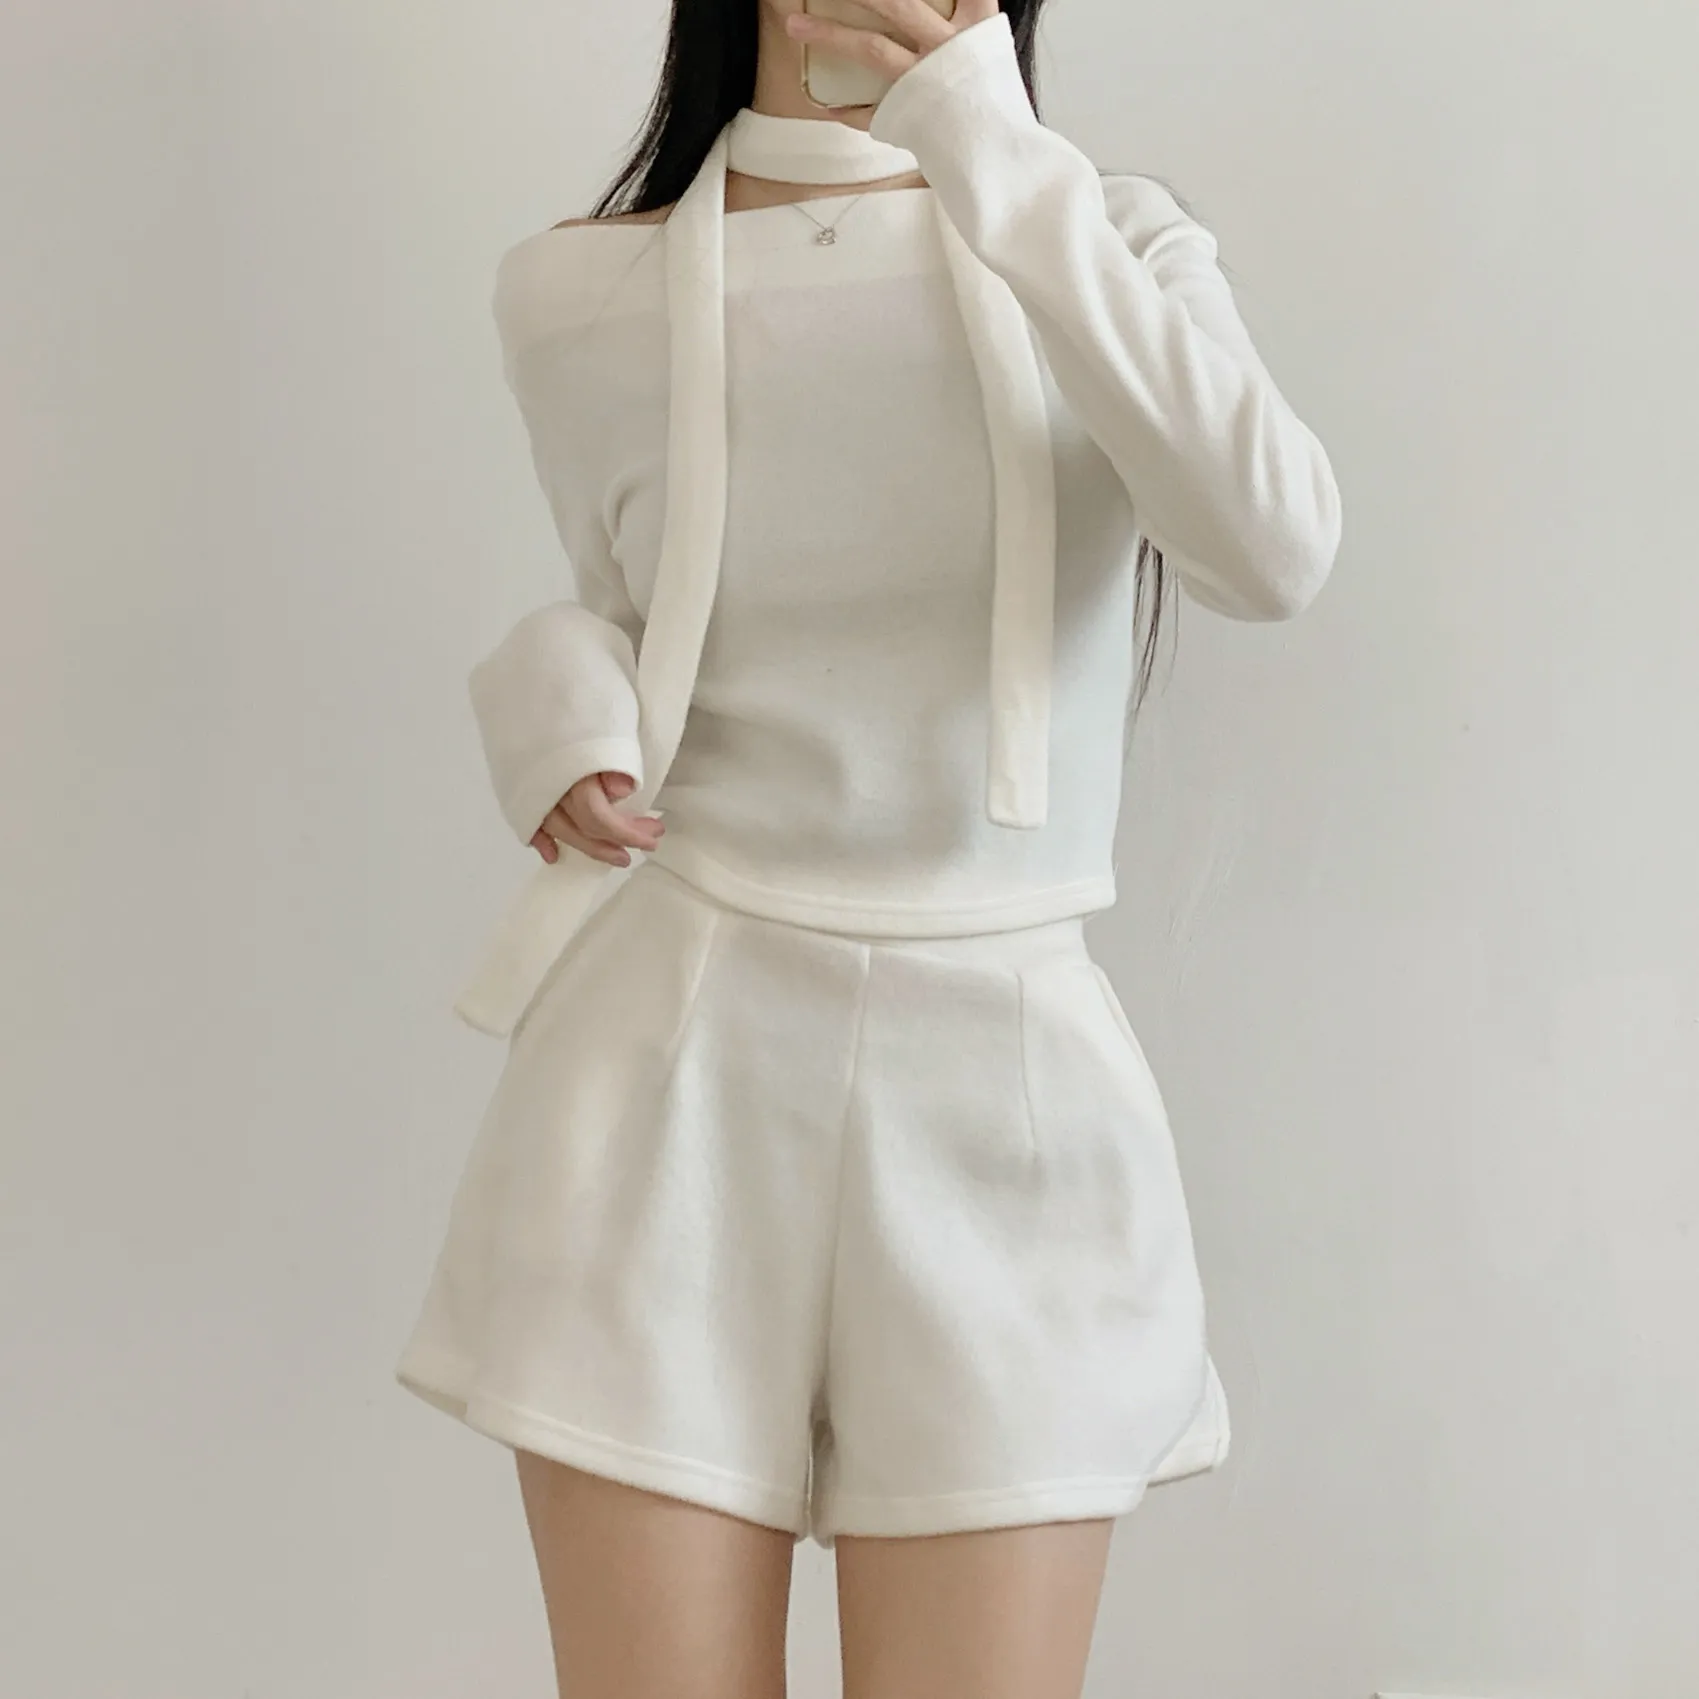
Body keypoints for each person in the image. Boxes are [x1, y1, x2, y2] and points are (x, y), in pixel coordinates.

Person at [394, 0, 1342, 1692]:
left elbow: (1267, 544)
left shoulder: (1107, 238)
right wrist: (556, 698)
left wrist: (984, 144)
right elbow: (637, 615)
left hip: (1003, 1083)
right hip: (671, 1070)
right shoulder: (576, 293)